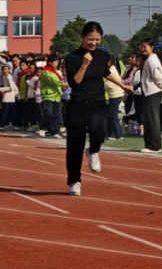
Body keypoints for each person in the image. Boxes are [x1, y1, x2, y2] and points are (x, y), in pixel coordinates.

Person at [62, 22, 134, 196]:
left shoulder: (103, 55)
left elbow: (106, 73)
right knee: (75, 146)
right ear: (82, 37)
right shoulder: (71, 58)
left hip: (98, 102)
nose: (93, 43)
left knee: (99, 130)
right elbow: (75, 82)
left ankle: (93, 151)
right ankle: (74, 181)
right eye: (90, 39)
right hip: (78, 104)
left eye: (97, 40)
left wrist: (123, 85)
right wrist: (84, 64)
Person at [139, 39, 162, 153]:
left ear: (152, 47)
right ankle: (150, 144)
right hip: (149, 92)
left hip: (152, 92)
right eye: (141, 46)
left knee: (152, 119)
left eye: (145, 46)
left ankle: (154, 145)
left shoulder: (152, 60)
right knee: (149, 119)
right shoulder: (149, 59)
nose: (142, 49)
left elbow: (158, 76)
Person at [38, 56, 65, 138]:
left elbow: (60, 81)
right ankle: (43, 127)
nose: (57, 64)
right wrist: (62, 83)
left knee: (57, 114)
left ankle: (55, 131)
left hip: (57, 95)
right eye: (55, 62)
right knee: (48, 112)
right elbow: (52, 81)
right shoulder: (45, 72)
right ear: (50, 62)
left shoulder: (56, 72)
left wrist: (62, 85)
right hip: (49, 95)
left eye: (58, 62)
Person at [104, 55, 126, 141]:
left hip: (115, 95)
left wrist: (103, 88)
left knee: (113, 115)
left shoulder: (111, 70)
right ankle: (112, 134)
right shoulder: (113, 68)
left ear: (109, 62)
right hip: (115, 94)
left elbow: (109, 84)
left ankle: (118, 135)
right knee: (112, 115)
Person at [0, 64, 19, 130]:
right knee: (12, 112)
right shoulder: (5, 76)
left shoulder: (8, 76)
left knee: (5, 112)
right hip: (9, 97)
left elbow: (11, 88)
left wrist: (0, 89)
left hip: (9, 97)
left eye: (6, 69)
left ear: (9, 70)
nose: (4, 71)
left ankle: (2, 125)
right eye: (3, 69)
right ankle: (15, 125)